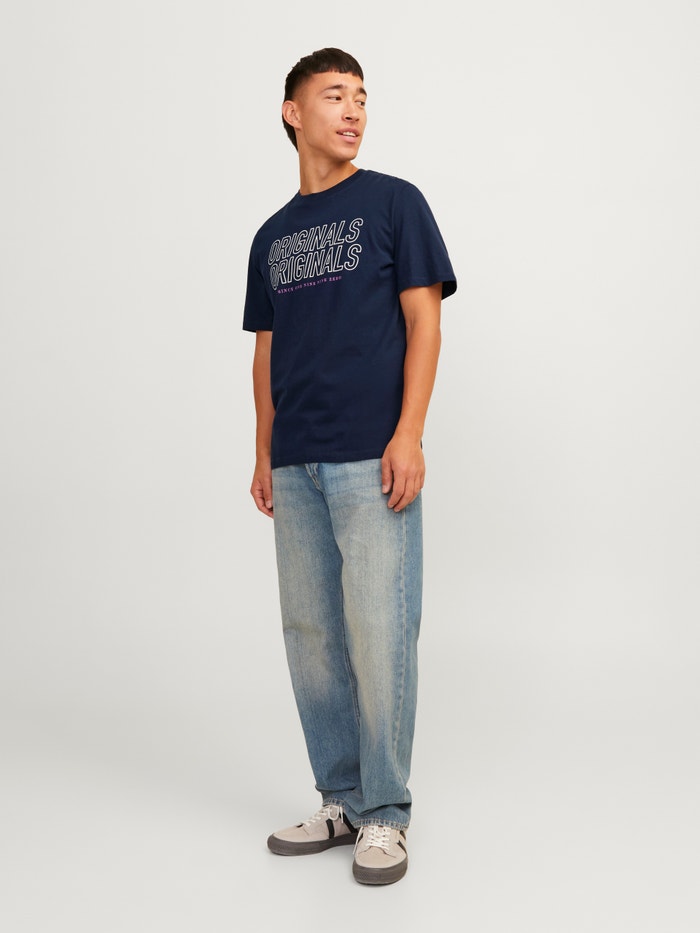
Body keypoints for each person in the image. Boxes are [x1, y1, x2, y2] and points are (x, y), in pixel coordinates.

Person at [243, 47, 457, 885]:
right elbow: (266, 352)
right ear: (293, 112)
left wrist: (410, 434)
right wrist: (264, 449)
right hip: (296, 462)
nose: (354, 109)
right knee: (313, 637)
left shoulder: (394, 202)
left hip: (372, 455)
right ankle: (341, 798)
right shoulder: (271, 236)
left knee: (380, 633)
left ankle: (387, 813)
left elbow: (425, 321)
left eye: (361, 96)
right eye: (335, 95)